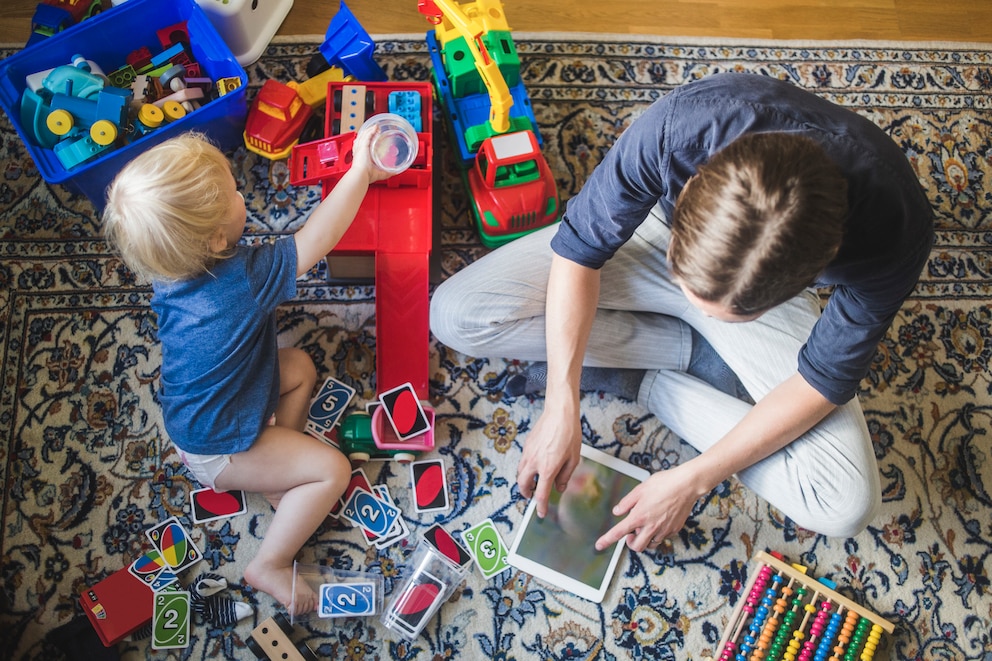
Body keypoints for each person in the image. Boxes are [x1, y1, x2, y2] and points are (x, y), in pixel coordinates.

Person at [430, 72, 933, 553]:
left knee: (843, 503)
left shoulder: (895, 234)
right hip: (655, 233)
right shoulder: (681, 127)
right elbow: (580, 249)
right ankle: (685, 345)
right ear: (690, 187)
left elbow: (822, 379)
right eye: (692, 291)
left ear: (806, 285)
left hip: (757, 277)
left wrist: (695, 478)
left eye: (721, 313)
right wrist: (562, 398)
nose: (694, 302)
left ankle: (652, 375)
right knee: (455, 316)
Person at [103, 129, 391, 613]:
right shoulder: (245, 277)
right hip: (219, 449)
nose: (244, 195)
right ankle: (271, 563)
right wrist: (361, 170)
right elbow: (316, 239)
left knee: (298, 366)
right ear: (217, 238)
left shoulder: (169, 269)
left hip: (200, 417)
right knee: (333, 470)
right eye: (237, 194)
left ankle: (280, 478)